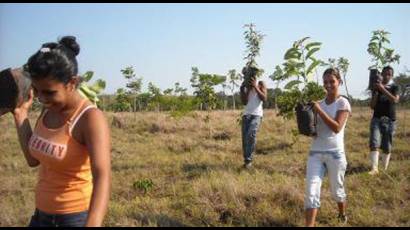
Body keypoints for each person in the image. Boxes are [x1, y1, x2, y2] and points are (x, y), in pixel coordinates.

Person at [12, 36, 111, 227]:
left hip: (73, 219)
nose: (41, 98)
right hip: (40, 216)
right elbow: (33, 160)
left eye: (49, 92)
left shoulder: (89, 118)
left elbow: (102, 175)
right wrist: (20, 115)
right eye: (37, 90)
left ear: (72, 83)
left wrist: (93, 224)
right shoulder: (48, 109)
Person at [304, 68, 351, 227]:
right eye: (325, 82)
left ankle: (342, 213)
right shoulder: (319, 103)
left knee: (336, 191)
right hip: (315, 153)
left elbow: (337, 127)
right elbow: (315, 129)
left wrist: (319, 110)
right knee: (311, 192)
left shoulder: (342, 102)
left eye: (332, 81)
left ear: (339, 82)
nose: (328, 85)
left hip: (335, 154)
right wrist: (307, 122)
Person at [368, 66, 400, 175]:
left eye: (389, 74)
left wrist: (382, 89)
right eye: (384, 73)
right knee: (374, 141)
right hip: (376, 118)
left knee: (387, 145)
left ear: (392, 76)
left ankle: (384, 169)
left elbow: (395, 100)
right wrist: (376, 92)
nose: (386, 76)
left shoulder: (395, 87)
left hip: (390, 120)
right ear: (381, 74)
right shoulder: (376, 87)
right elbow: (372, 106)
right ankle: (374, 169)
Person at [239, 67, 267, 169]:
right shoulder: (244, 86)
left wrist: (255, 86)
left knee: (251, 135)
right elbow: (244, 102)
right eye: (245, 75)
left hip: (256, 115)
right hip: (246, 115)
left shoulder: (261, 84)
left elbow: (264, 98)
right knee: (245, 139)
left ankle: (248, 160)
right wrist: (245, 89)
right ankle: (246, 161)